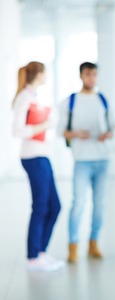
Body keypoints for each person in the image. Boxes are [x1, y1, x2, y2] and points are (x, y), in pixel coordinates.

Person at [57, 62, 115, 263]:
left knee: (99, 204)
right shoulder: (69, 102)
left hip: (102, 158)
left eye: (94, 74)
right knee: (78, 203)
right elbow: (60, 131)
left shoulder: (103, 100)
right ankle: (73, 245)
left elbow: (112, 127)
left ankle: (94, 243)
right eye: (88, 74)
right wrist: (74, 134)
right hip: (81, 158)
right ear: (81, 76)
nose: (91, 78)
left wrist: (107, 134)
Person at [12, 61, 65, 272]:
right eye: (45, 73)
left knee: (55, 206)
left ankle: (40, 251)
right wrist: (45, 125)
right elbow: (16, 131)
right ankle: (33, 256)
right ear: (39, 74)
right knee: (41, 206)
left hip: (42, 155)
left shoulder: (33, 96)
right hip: (33, 157)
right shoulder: (24, 98)